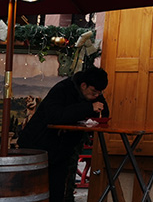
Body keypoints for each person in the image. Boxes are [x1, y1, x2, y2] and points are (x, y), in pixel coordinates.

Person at [18, 67, 110, 202]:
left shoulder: (93, 93)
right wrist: (88, 108)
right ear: (83, 85)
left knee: (57, 191)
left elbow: (103, 111)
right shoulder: (62, 89)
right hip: (38, 147)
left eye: (99, 93)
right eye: (94, 92)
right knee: (34, 191)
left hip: (61, 150)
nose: (96, 96)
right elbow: (55, 115)